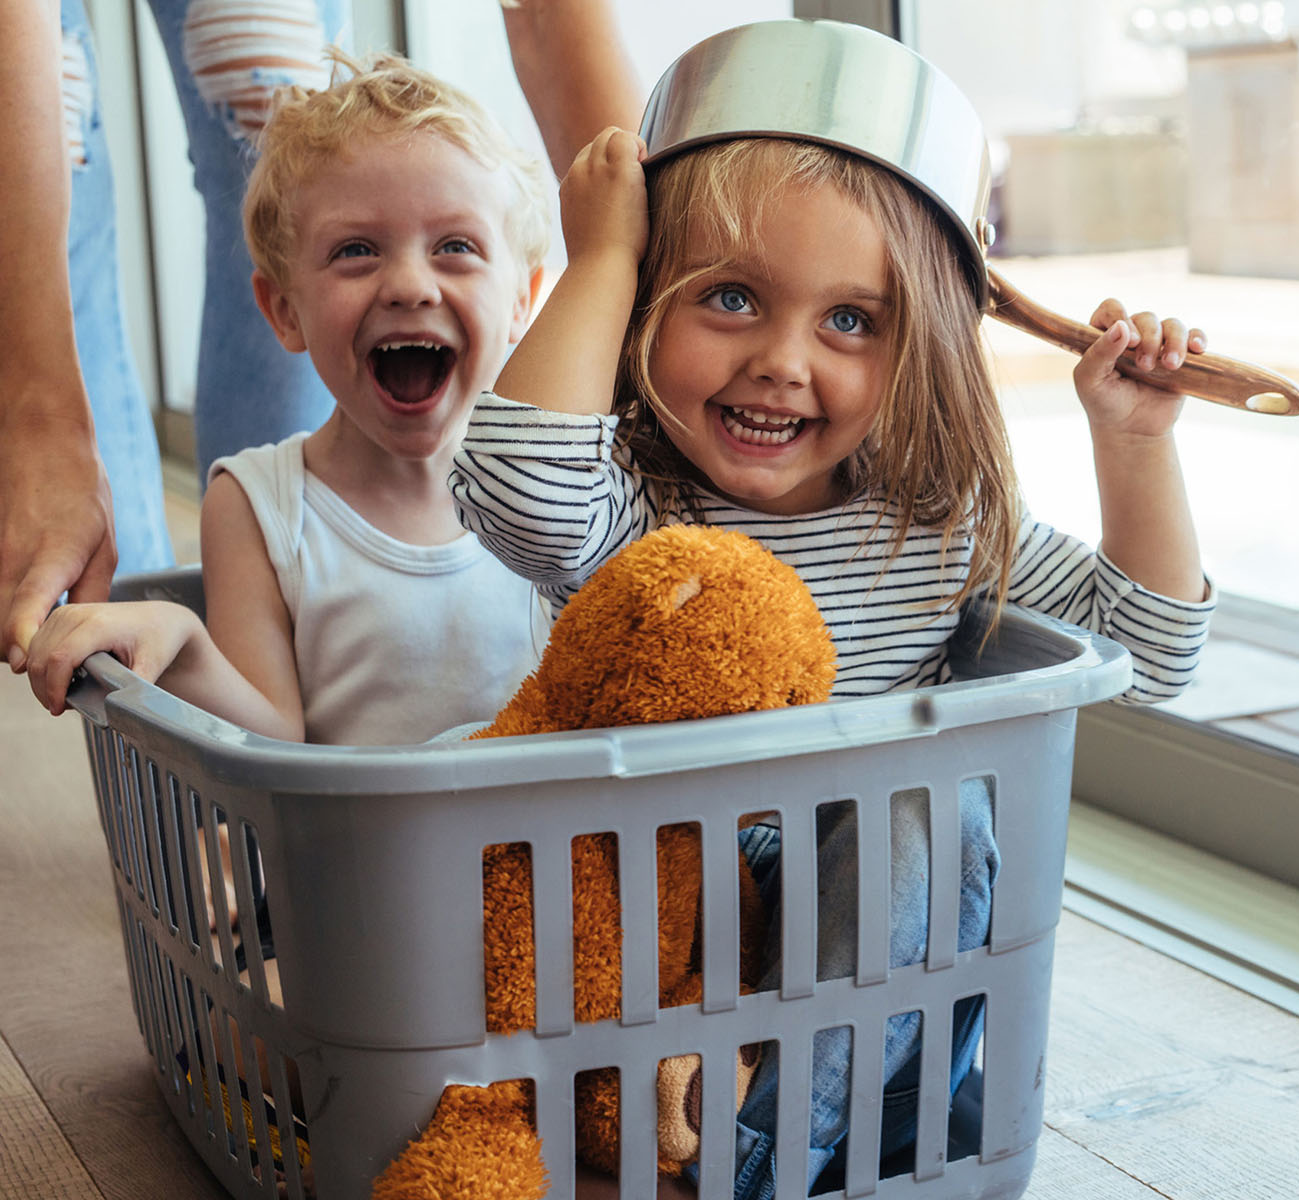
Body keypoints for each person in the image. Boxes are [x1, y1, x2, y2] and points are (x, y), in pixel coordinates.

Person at [447, 90, 1215, 1200]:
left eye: (851, 320)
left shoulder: (936, 525)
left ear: (920, 350)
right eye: (730, 298)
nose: (782, 360)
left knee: (928, 811)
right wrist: (603, 255)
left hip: (863, 978)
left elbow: (1153, 655)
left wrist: (1134, 444)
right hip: (661, 938)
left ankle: (758, 1168)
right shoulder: (629, 508)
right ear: (646, 311)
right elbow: (515, 481)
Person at [0, 0, 639, 678]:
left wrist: (641, 284)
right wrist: (185, 644)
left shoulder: (574, 485)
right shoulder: (256, 509)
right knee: (59, 128)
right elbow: (266, 750)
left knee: (256, 77)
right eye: (357, 250)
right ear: (284, 310)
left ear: (523, 298)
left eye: (455, 246)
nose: (409, 286)